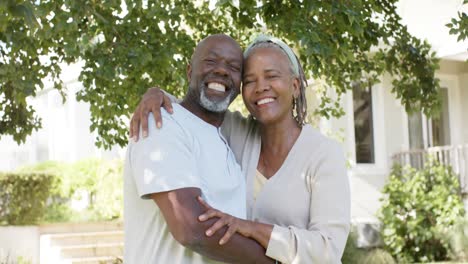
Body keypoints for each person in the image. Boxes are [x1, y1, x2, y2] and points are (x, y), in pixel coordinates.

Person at [130, 35, 351, 263]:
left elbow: (329, 249)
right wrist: (157, 95)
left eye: (271, 76)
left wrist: (253, 229)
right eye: (250, 80)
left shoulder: (323, 154)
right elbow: (197, 106)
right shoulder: (237, 132)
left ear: (295, 86)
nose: (261, 87)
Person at [124, 34, 274, 263]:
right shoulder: (161, 123)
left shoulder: (223, 139)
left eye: (233, 67)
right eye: (211, 61)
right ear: (189, 71)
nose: (222, 71)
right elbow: (190, 228)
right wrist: (275, 260)